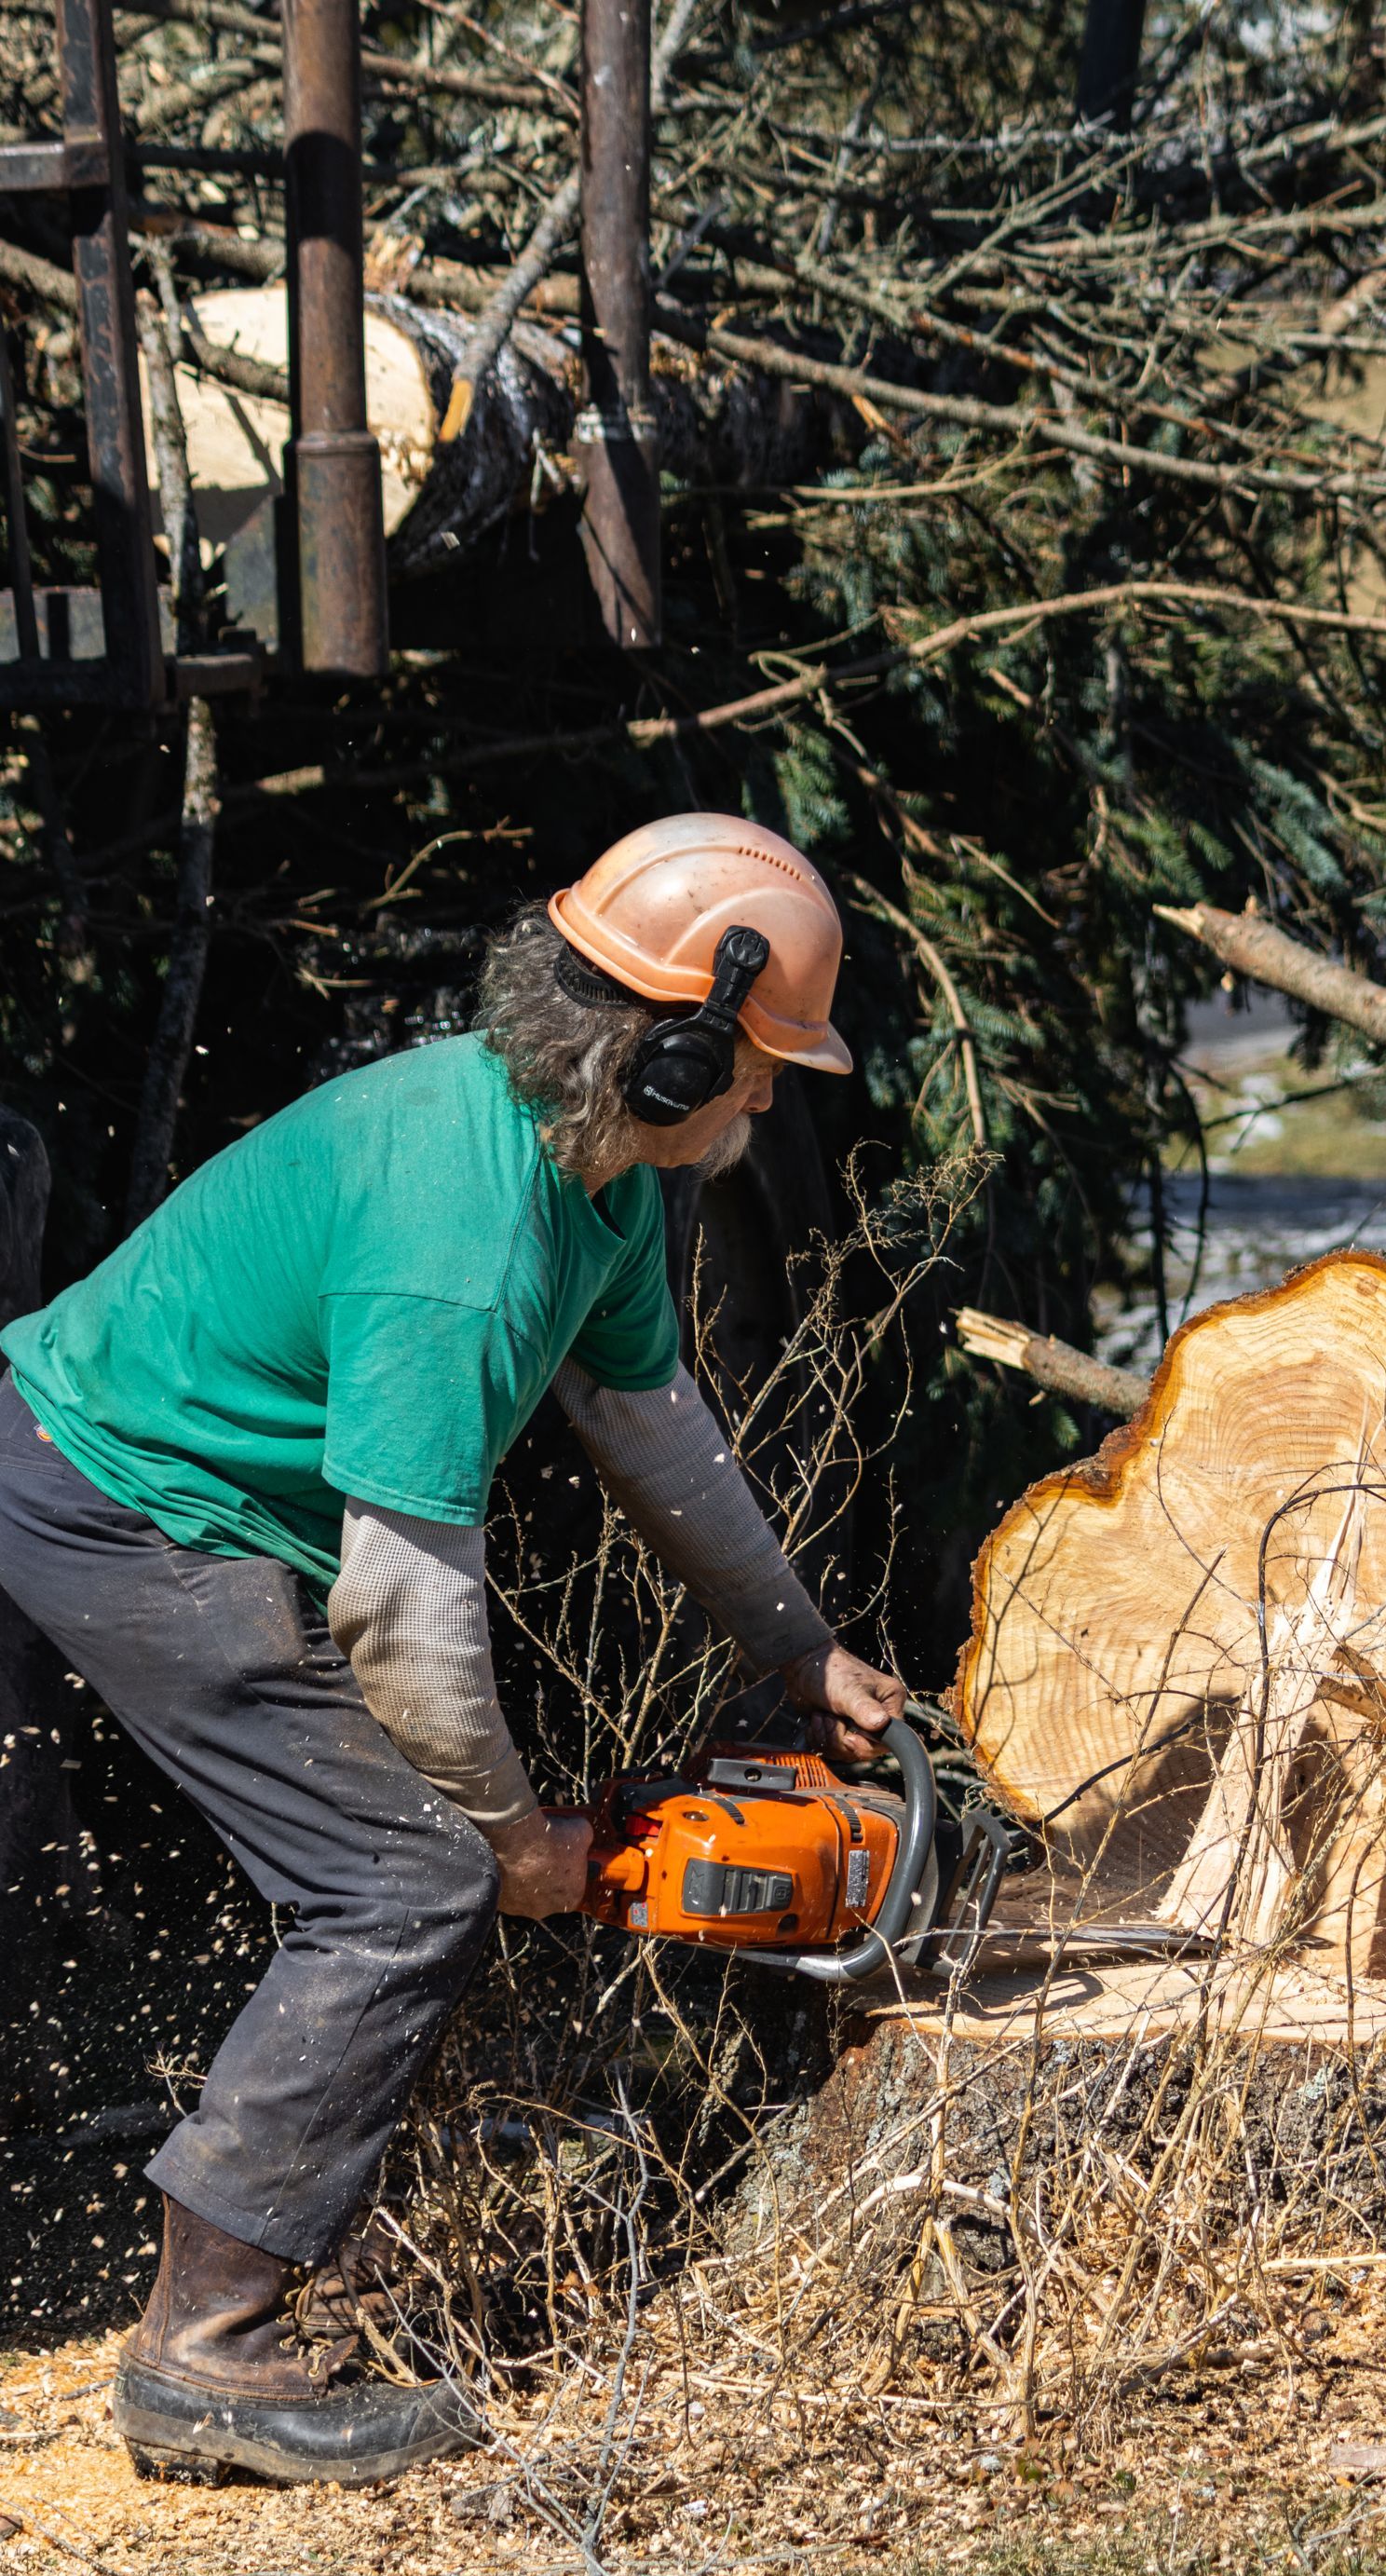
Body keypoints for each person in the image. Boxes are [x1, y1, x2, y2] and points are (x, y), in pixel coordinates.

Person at [0, 812, 903, 2488]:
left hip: (152, 1479)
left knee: (398, 1865)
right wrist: (509, 1842)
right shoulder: (467, 1246)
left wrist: (800, 1651)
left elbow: (651, 1421)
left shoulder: (593, 1177)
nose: (769, 1099)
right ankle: (203, 2359)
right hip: (113, 1499)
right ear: (667, 1050)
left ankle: (264, 2262)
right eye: (758, 1067)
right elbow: (400, 1605)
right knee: (399, 1884)